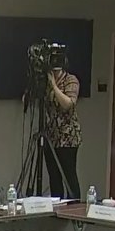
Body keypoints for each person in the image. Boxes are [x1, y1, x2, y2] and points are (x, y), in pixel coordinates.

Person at [41, 56, 82, 199]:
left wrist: (53, 85)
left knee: (68, 175)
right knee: (54, 177)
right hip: (51, 136)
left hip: (67, 136)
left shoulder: (71, 80)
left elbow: (68, 104)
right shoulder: (45, 82)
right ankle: (57, 206)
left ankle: (74, 206)